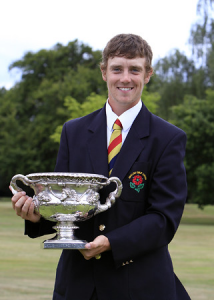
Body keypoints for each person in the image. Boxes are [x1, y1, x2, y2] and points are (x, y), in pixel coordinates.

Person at [10, 33, 191, 300]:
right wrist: (37, 216)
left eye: (135, 70)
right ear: (104, 72)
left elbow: (164, 219)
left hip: (140, 287)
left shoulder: (168, 138)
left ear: (148, 74)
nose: (125, 78)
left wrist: (112, 243)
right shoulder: (73, 131)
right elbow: (63, 203)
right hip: (77, 286)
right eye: (117, 68)